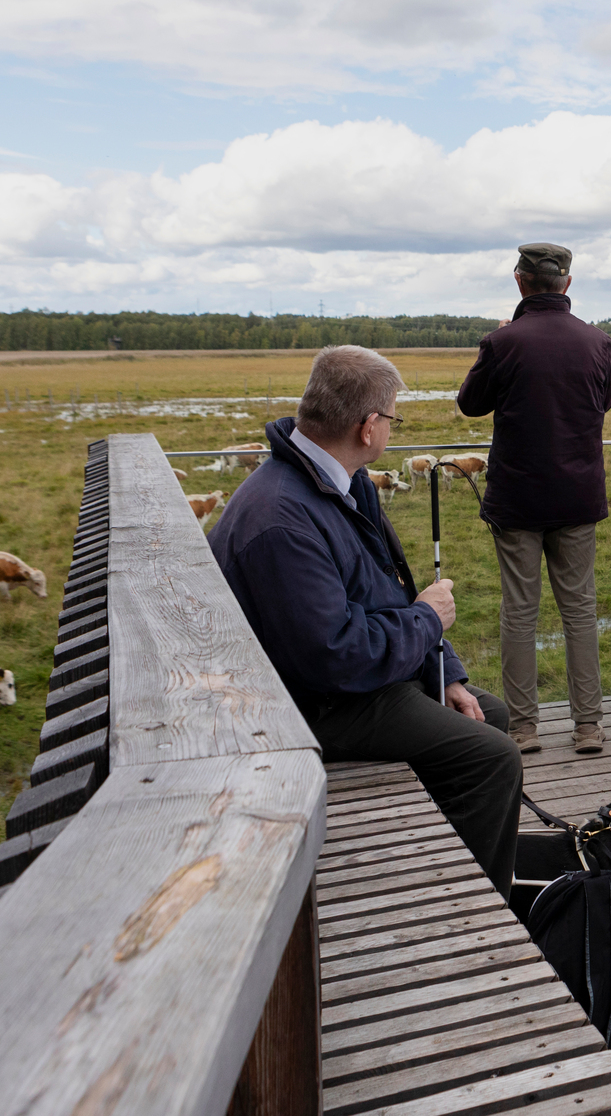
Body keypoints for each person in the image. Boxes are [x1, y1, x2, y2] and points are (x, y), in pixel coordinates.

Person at [209, 345, 521, 895]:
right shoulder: (283, 519)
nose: (393, 431)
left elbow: (387, 589)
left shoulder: (337, 480)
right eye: (393, 418)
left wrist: (444, 669)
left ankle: (447, 867)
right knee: (491, 758)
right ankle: (476, 909)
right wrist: (430, 622)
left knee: (488, 715)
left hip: (335, 683)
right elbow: (337, 656)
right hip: (307, 706)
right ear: (369, 426)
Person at [458, 243, 611, 756]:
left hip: (519, 499)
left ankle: (524, 729)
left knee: (519, 611)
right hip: (577, 496)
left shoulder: (503, 341)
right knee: (580, 610)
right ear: (567, 285)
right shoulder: (597, 341)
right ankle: (588, 726)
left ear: (521, 282)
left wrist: (500, 342)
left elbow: (470, 404)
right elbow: (603, 402)